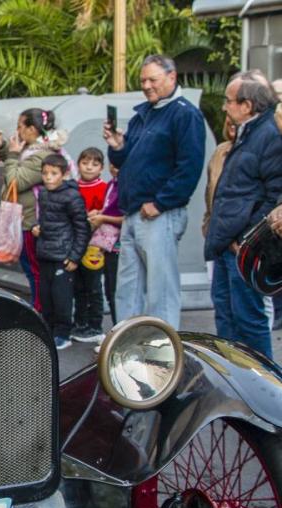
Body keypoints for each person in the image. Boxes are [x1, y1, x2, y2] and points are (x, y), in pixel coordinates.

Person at [103, 54, 205, 329]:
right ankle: (126, 347)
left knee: (161, 290)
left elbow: (190, 167)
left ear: (172, 77)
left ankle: (164, 349)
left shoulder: (185, 114)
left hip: (159, 213)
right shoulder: (143, 114)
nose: (146, 85)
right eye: (143, 80)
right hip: (134, 212)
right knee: (128, 288)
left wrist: (160, 203)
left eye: (153, 79)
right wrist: (117, 146)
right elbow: (123, 162)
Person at [206, 74, 282, 360]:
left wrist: (249, 240)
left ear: (247, 105)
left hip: (243, 248)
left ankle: (264, 394)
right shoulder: (248, 132)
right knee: (226, 320)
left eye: (229, 101)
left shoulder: (268, 136)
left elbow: (274, 194)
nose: (224, 107)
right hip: (227, 244)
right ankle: (234, 387)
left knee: (249, 321)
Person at [0, 108, 70, 311]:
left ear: (32, 129)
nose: (17, 130)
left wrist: (12, 155)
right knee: (32, 270)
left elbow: (15, 180)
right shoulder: (31, 149)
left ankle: (39, 310)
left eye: (20, 126)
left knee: (35, 271)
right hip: (26, 219)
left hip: (31, 221)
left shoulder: (41, 156)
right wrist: (3, 147)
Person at [29, 153, 90, 349]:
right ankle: (50, 330)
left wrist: (75, 256)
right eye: (45, 173)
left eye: (53, 173)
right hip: (45, 252)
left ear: (63, 174)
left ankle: (63, 334)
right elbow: (47, 220)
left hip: (63, 256)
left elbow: (82, 228)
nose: (48, 177)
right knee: (46, 296)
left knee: (61, 297)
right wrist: (37, 228)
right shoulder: (44, 194)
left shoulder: (72, 196)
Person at [72, 147, 108, 344]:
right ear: (78, 164)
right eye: (85, 163)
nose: (89, 167)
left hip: (95, 243)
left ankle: (95, 325)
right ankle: (80, 323)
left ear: (101, 168)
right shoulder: (73, 187)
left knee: (94, 286)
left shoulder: (103, 188)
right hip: (76, 242)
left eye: (94, 164)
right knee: (78, 286)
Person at [90, 163, 125, 335]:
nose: (115, 167)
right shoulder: (112, 184)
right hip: (108, 245)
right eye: (112, 163)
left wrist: (103, 217)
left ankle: (122, 331)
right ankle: (117, 330)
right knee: (110, 290)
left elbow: (126, 217)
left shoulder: (126, 186)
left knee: (118, 291)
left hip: (120, 245)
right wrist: (100, 213)